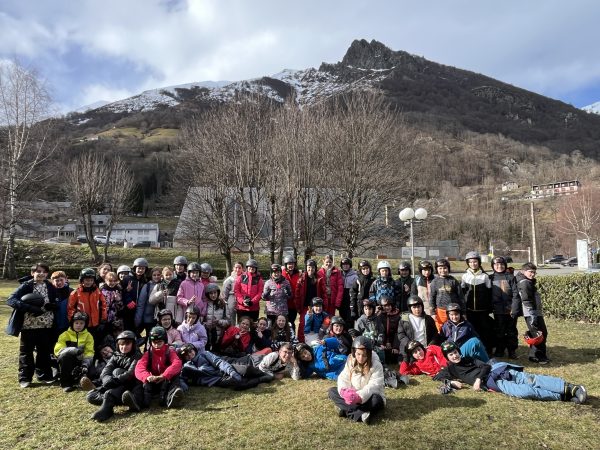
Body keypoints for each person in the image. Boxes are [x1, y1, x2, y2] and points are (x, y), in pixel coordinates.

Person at [434, 341, 587, 404]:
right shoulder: (451, 369)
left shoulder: (469, 358)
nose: (454, 356)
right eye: (451, 354)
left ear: (458, 351)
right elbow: (437, 377)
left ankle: (571, 388)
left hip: (498, 370)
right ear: (447, 357)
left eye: (455, 352)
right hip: (493, 383)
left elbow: (485, 366)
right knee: (526, 392)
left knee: (531, 380)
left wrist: (478, 380)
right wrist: (451, 382)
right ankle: (563, 396)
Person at [6, 262, 59, 387]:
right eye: (38, 271)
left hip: (46, 324)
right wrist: (29, 308)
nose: (41, 274)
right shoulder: (26, 285)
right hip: (28, 325)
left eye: (44, 272)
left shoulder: (49, 286)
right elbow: (11, 300)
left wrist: (52, 305)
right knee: (26, 352)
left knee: (44, 352)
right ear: (32, 273)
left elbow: (55, 300)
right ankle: (25, 378)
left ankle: (44, 376)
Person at [85, 330, 143, 421]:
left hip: (130, 386)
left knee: (116, 373)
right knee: (91, 396)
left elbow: (130, 374)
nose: (124, 347)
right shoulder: (116, 355)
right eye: (121, 344)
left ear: (133, 344)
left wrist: (113, 380)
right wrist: (106, 379)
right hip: (116, 385)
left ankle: (109, 407)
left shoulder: (137, 356)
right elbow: (106, 370)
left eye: (127, 344)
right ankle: (121, 401)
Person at [328, 336, 386, 425]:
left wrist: (359, 397)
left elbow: (374, 385)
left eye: (364, 355)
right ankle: (360, 414)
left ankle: (346, 410)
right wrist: (345, 391)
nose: (361, 358)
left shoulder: (376, 365)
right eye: (358, 354)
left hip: (368, 397)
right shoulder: (350, 360)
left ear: (369, 354)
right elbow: (344, 377)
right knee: (332, 391)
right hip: (352, 395)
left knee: (376, 400)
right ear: (354, 352)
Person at [133, 326, 184, 409]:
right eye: (154, 342)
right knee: (139, 380)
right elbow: (139, 368)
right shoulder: (148, 353)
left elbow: (177, 363)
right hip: (152, 380)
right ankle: (138, 401)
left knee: (176, 376)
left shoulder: (170, 351)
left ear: (165, 341)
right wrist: (147, 377)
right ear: (150, 342)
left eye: (159, 342)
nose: (156, 345)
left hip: (166, 380)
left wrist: (164, 375)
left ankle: (171, 398)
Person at [177, 343, 262, 390]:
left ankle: (263, 373)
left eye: (190, 351)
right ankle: (261, 379)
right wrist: (183, 387)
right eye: (186, 355)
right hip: (217, 380)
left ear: (194, 350)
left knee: (247, 369)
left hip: (224, 369)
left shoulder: (205, 354)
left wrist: (231, 372)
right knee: (239, 384)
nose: (190, 355)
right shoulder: (187, 367)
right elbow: (182, 378)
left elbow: (219, 362)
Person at [515, 263, 549, 364]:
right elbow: (526, 299)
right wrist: (532, 313)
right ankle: (537, 356)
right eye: (530, 272)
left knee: (539, 333)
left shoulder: (528, 281)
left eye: (534, 272)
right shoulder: (524, 282)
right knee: (538, 334)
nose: (532, 274)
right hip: (531, 313)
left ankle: (535, 355)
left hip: (535, 312)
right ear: (523, 271)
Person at [461, 251, 494, 353]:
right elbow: (462, 293)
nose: (473, 264)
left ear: (479, 262)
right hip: (470, 310)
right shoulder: (465, 276)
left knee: (485, 330)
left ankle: (487, 349)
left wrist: (489, 307)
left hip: (483, 310)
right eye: (470, 262)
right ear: (468, 263)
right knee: (472, 330)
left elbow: (489, 293)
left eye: (475, 262)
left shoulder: (485, 276)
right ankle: (473, 349)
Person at [54, 311, 95, 392]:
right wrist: (74, 350)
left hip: (82, 361)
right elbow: (58, 350)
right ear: (72, 323)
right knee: (64, 357)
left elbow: (89, 352)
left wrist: (85, 365)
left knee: (93, 373)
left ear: (85, 324)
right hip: (67, 361)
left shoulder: (88, 336)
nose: (78, 325)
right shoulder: (64, 334)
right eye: (76, 323)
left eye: (81, 323)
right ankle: (66, 384)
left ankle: (80, 380)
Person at [67, 268, 108, 345]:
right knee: (82, 344)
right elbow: (70, 308)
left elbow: (103, 306)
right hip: (81, 324)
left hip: (96, 324)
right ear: (82, 280)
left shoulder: (97, 292)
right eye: (86, 280)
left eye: (91, 280)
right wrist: (73, 322)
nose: (89, 282)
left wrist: (103, 320)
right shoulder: (75, 293)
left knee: (94, 343)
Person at [489, 256, 520, 359]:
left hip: (510, 309)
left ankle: (512, 351)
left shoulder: (510, 277)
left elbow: (516, 294)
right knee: (499, 331)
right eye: (496, 264)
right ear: (493, 266)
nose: (499, 266)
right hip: (497, 310)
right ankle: (500, 350)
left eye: (502, 264)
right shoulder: (491, 278)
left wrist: (514, 308)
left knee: (511, 331)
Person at [397, 295, 440, 362]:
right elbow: (401, 334)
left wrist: (431, 344)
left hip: (425, 348)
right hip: (410, 349)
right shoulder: (404, 319)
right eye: (414, 307)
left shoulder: (428, 319)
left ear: (422, 306)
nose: (417, 309)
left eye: (418, 307)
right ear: (410, 308)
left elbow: (435, 334)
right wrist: (409, 344)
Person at [295, 259, 325, 343]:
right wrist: (298, 307)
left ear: (315, 268)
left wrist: (324, 306)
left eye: (312, 267)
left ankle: (315, 342)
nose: (310, 269)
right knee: (303, 324)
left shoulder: (319, 279)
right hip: (306, 306)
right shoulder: (301, 279)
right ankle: (301, 342)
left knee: (316, 325)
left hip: (317, 306)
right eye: (309, 267)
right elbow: (297, 294)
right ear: (306, 268)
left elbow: (324, 293)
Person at [430, 258, 464, 331]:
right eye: (440, 268)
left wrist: (463, 312)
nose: (443, 270)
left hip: (453, 310)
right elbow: (432, 297)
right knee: (441, 329)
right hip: (440, 310)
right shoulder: (434, 282)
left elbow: (461, 297)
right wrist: (432, 313)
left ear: (448, 268)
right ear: (437, 269)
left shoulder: (453, 281)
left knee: (453, 328)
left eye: (445, 268)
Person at [135, 267, 162, 348]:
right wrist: (138, 319)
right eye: (154, 275)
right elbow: (141, 304)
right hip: (149, 318)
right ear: (151, 276)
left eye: (158, 275)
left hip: (160, 317)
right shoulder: (147, 286)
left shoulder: (164, 285)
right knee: (149, 339)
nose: (156, 277)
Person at [203, 283, 231, 352]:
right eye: (211, 293)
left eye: (215, 293)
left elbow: (228, 321)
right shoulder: (204, 304)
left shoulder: (223, 304)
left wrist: (219, 321)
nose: (213, 295)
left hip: (219, 335)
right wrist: (205, 324)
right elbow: (200, 320)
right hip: (206, 334)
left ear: (218, 292)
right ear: (207, 294)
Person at [377, 295, 401, 363]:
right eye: (385, 306)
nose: (387, 307)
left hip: (394, 341)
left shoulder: (397, 315)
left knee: (393, 359)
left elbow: (398, 332)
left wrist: (395, 346)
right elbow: (379, 331)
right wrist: (382, 343)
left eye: (389, 305)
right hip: (383, 342)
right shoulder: (379, 315)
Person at [50, 270, 72, 340]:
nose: (59, 282)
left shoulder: (71, 292)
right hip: (53, 324)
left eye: (61, 280)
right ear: (52, 281)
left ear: (65, 279)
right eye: (57, 281)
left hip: (67, 323)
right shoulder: (50, 292)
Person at [281, 255, 301, 330]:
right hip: (284, 303)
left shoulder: (298, 274)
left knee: (291, 322)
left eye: (292, 264)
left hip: (293, 304)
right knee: (283, 322)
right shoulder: (282, 273)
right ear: (286, 265)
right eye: (289, 264)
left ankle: (292, 336)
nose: (291, 265)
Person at [339, 257, 358, 327]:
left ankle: (350, 331)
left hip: (350, 297)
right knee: (342, 317)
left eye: (347, 264)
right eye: (344, 264)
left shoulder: (354, 276)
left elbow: (356, 289)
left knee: (349, 318)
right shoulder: (339, 274)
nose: (345, 266)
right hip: (342, 297)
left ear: (350, 265)